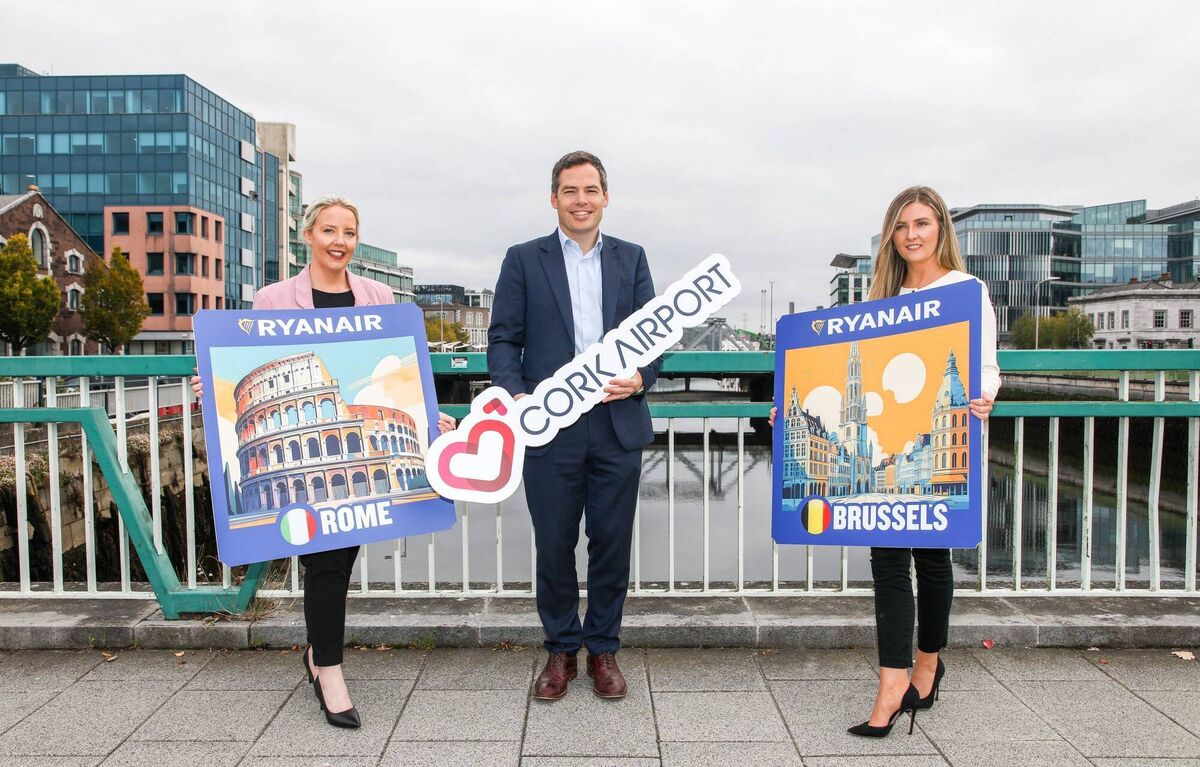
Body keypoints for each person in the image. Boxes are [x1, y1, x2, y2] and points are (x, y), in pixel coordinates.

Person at [192, 195, 454, 728]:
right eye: (329, 230)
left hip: (345, 451)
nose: (340, 242)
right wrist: (210, 388)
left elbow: (404, 375)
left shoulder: (379, 295)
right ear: (307, 235)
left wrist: (430, 419)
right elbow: (242, 359)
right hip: (291, 447)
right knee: (329, 559)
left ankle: (319, 650)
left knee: (337, 557)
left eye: (349, 233)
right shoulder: (272, 299)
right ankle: (328, 669)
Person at [770, 185, 1000, 737]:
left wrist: (985, 392)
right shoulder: (883, 300)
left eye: (921, 223)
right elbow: (835, 367)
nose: (912, 235)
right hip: (885, 431)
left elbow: (987, 362)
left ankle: (927, 663)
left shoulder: (966, 290)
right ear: (891, 237)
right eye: (902, 227)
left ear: (941, 227)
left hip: (945, 430)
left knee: (934, 562)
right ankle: (892, 681)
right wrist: (788, 404)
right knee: (889, 564)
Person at [488, 151, 662, 700]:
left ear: (606, 197)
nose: (581, 200)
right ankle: (561, 650)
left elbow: (656, 335)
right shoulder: (523, 259)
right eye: (570, 190)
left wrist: (641, 377)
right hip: (550, 431)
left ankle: (603, 649)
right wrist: (518, 398)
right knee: (555, 545)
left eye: (590, 190)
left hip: (616, 424)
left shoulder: (632, 259)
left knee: (611, 543)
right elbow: (502, 339)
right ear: (554, 198)